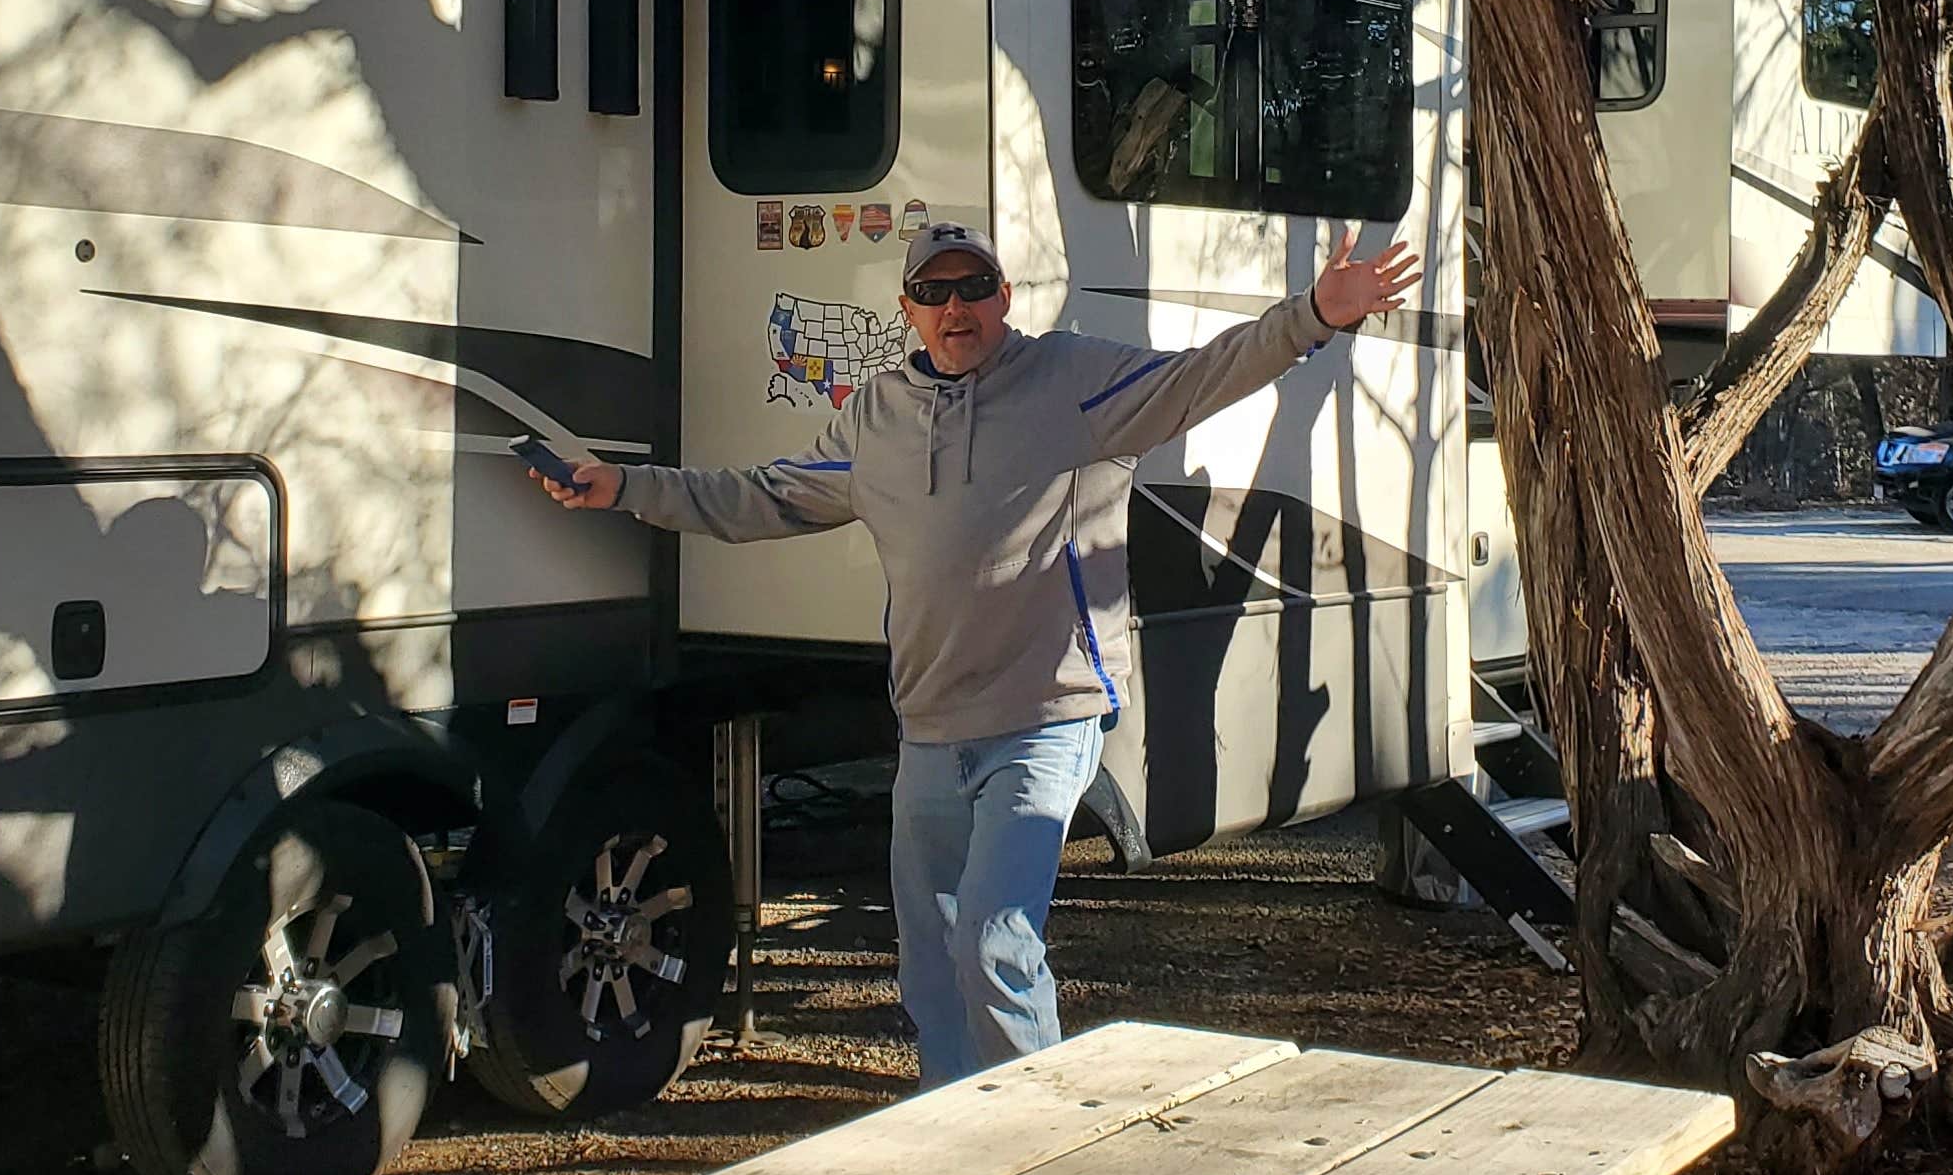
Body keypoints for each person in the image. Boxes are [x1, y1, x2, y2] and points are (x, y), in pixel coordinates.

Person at [531, 217, 1420, 1090]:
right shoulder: (877, 415)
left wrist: (1312, 314)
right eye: (933, 292)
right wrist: (628, 488)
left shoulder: (1072, 381)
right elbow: (762, 497)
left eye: (971, 288)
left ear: (1002, 296)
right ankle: (949, 1133)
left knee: (995, 940)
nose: (955, 307)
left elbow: (1202, 377)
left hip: (1046, 714)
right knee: (928, 959)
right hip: (928, 730)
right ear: (909, 310)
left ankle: (1036, 1151)